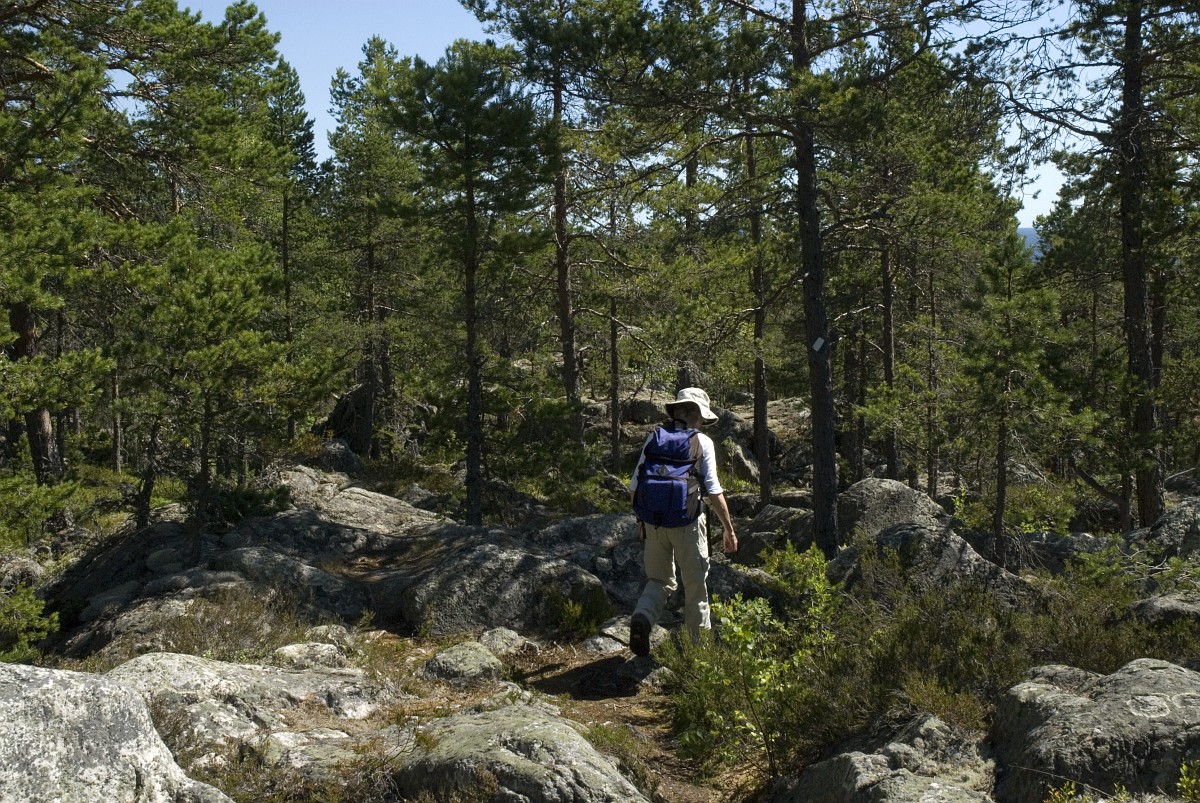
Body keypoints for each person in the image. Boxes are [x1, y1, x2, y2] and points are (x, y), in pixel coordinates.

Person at [628, 387, 738, 656]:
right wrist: (729, 530)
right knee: (695, 588)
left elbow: (634, 486)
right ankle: (698, 655)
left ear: (676, 411)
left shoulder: (655, 437)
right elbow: (713, 491)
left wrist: (641, 520)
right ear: (697, 415)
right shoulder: (702, 442)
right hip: (688, 524)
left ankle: (642, 616)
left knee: (659, 580)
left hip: (654, 523)